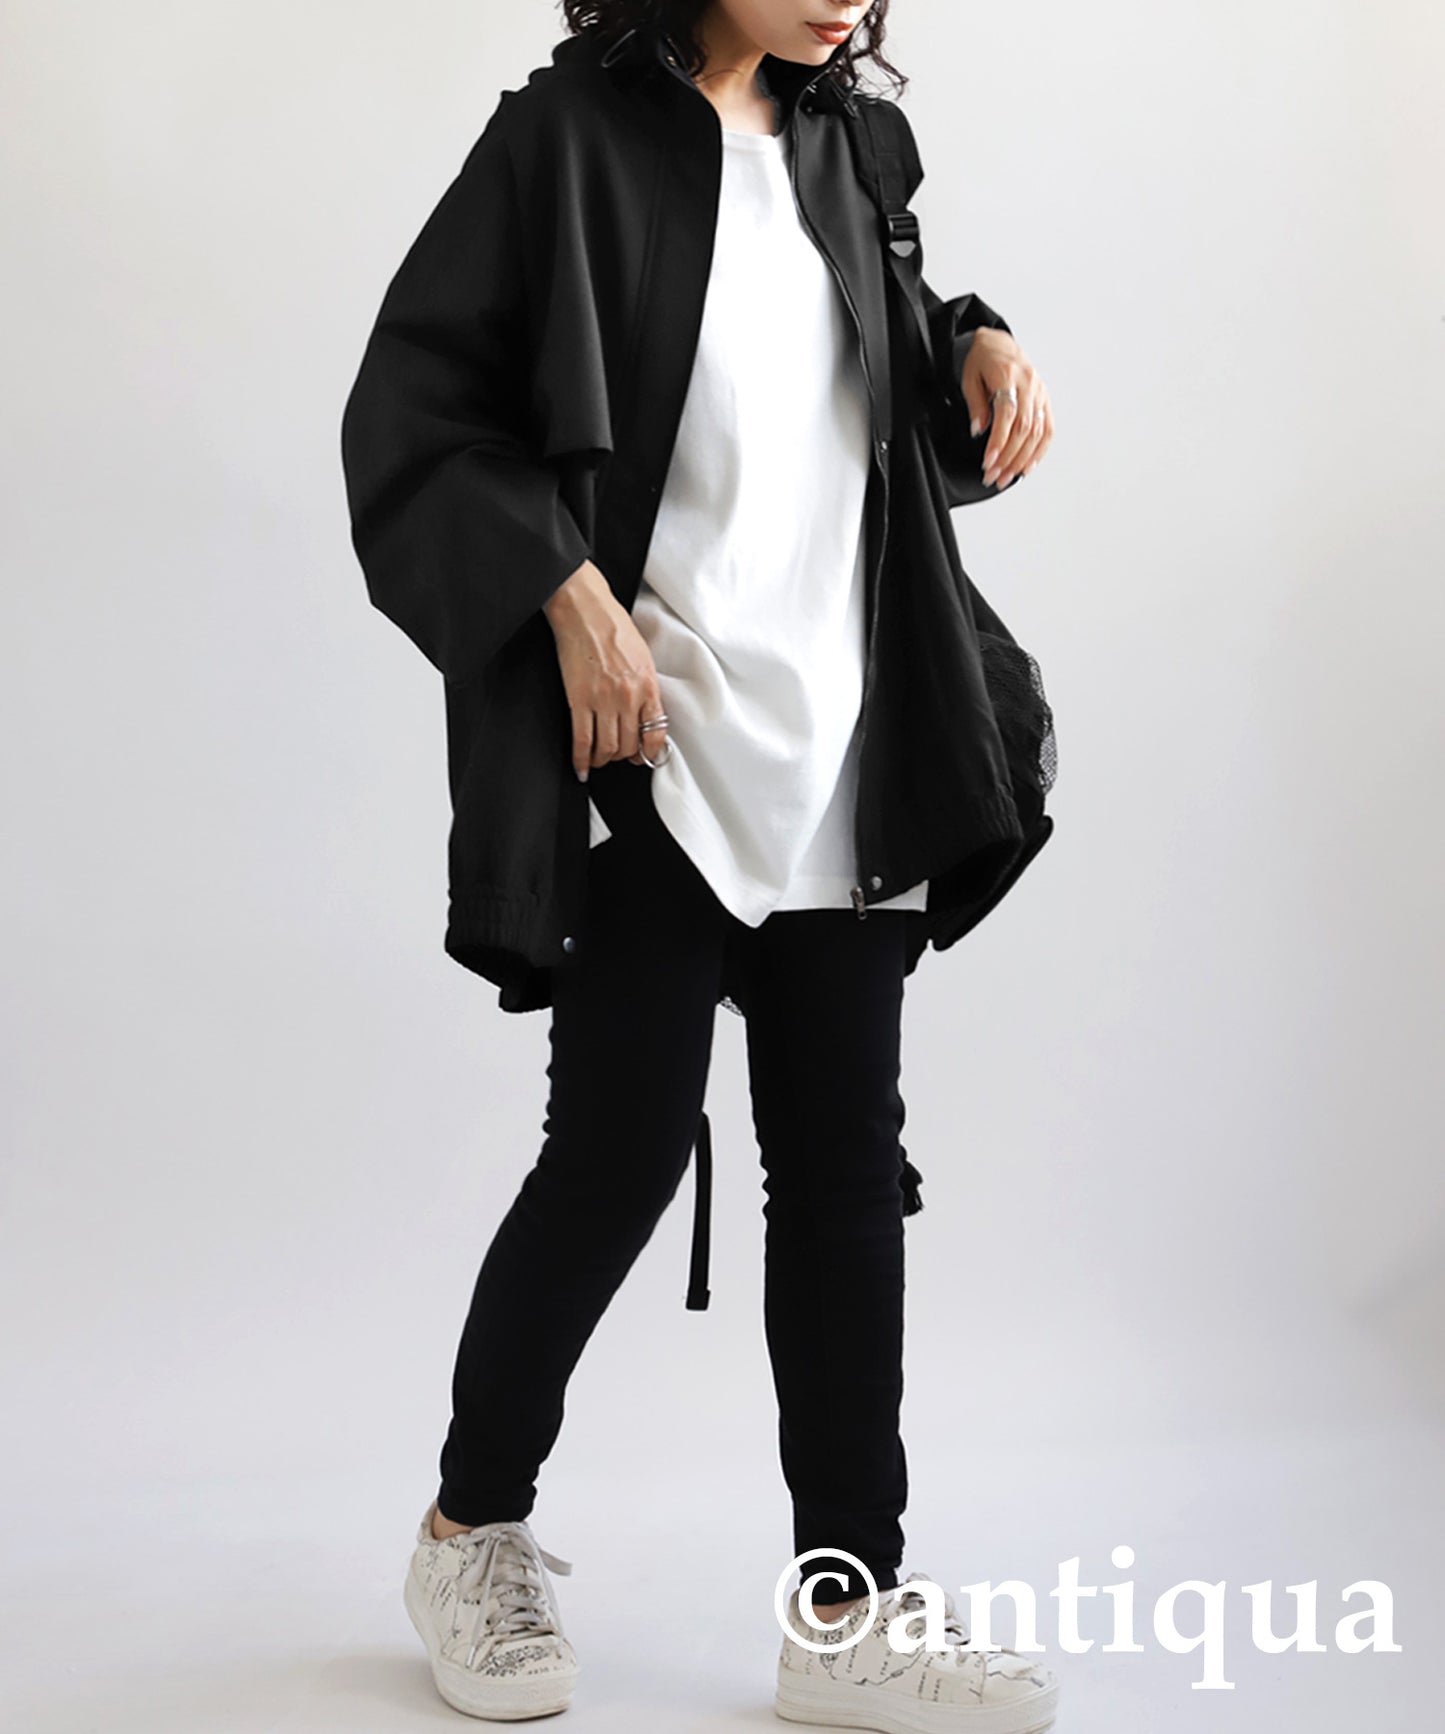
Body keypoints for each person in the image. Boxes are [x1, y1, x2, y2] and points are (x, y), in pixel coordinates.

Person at [342, 3, 1058, 1729]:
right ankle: (469, 1529)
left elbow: (855, 389)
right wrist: (558, 586)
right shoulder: (560, 144)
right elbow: (413, 416)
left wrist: (973, 339)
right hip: (650, 743)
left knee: (843, 1178)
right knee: (616, 1156)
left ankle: (846, 1605)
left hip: (847, 741)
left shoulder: (854, 147)